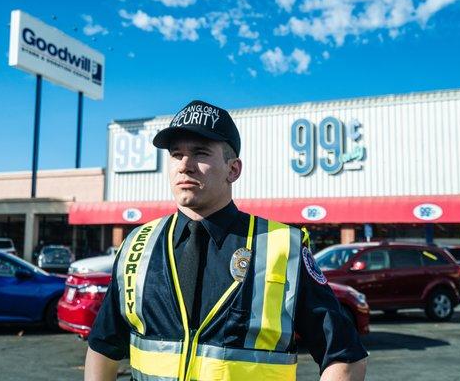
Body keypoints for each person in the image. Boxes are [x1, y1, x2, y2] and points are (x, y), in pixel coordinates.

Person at [84, 100, 368, 381]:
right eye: (175, 154)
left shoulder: (283, 246)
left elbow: (345, 357)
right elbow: (103, 347)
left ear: (233, 169)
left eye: (200, 153)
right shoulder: (138, 244)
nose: (185, 165)